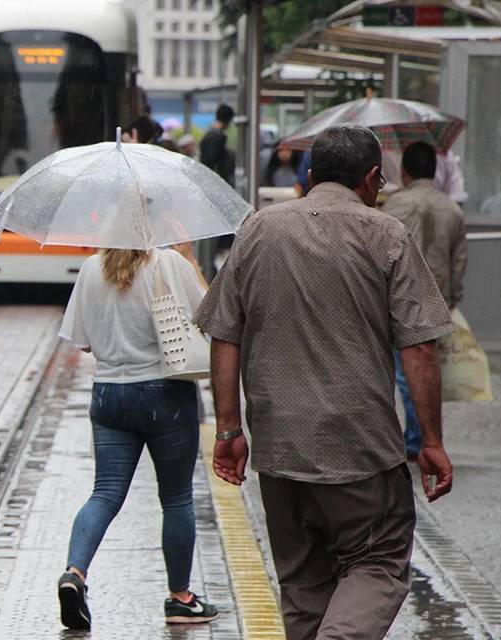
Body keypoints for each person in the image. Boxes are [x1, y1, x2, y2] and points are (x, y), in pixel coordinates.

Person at [196, 125, 455, 640]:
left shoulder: (257, 230)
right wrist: (430, 441)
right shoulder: (385, 235)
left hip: (279, 449)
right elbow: (419, 347)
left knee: (303, 585)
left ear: (310, 176)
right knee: (377, 562)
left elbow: (224, 335)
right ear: (372, 179)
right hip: (359, 449)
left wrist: (229, 432)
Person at [56, 248, 219, 630]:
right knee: (176, 496)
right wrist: (192, 264)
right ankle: (180, 599)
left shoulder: (91, 268)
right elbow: (209, 316)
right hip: (165, 393)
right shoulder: (169, 264)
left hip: (109, 393)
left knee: (105, 493)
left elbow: (82, 341)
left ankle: (74, 574)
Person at [382, 142, 467, 461]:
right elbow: (459, 262)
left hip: (400, 297)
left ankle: (418, 437)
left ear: (404, 173)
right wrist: (453, 299)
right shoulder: (453, 210)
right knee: (427, 366)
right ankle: (424, 434)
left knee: (405, 371)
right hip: (438, 299)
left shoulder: (395, 206)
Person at [198, 105, 236, 188]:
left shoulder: (209, 133)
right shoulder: (218, 136)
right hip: (214, 181)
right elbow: (213, 161)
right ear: (229, 119)